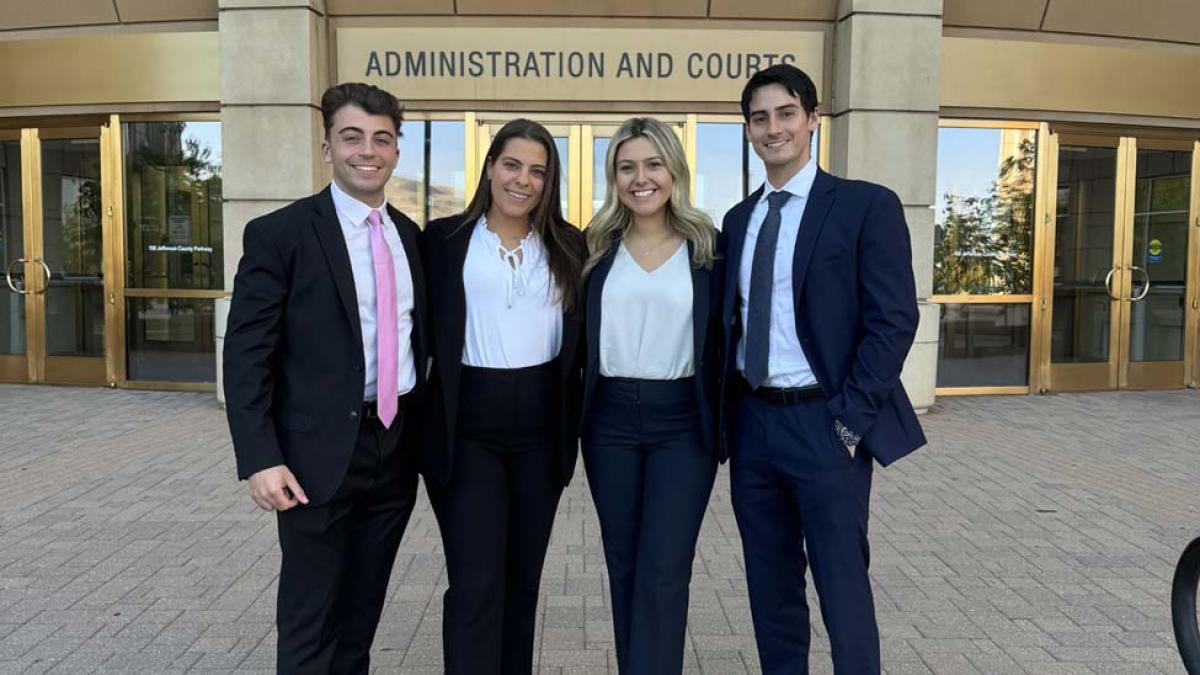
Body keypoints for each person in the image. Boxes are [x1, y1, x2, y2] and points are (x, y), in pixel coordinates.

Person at [719, 64, 927, 675]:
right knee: (770, 586)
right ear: (749, 131)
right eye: (760, 118)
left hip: (826, 425)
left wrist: (850, 422)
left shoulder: (865, 205)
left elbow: (893, 321)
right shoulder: (738, 220)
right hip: (754, 426)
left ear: (813, 119)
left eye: (786, 114)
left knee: (841, 583)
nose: (773, 128)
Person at [223, 82, 427, 673]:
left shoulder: (408, 237)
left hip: (393, 449)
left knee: (360, 619)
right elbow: (246, 354)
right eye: (353, 137)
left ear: (396, 149)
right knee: (311, 623)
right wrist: (259, 457)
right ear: (327, 147)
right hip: (313, 458)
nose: (368, 150)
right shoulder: (280, 234)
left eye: (382, 138)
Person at [422, 118, 586, 675]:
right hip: (468, 432)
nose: (523, 180)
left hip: (542, 432)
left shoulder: (570, 244)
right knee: (476, 582)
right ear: (490, 166)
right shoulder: (443, 241)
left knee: (522, 581)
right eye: (512, 165)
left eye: (538, 171)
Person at [579, 117, 722, 675]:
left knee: (665, 566)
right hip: (609, 421)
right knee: (624, 564)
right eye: (627, 167)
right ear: (614, 177)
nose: (641, 178)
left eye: (653, 164)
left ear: (674, 171)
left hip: (683, 423)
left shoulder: (707, 247)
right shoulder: (593, 248)